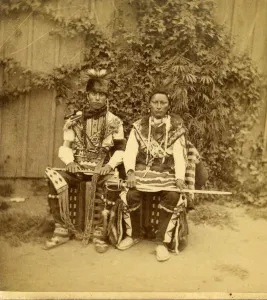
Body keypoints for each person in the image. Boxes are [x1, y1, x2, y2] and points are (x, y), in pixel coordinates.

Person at [44, 69, 126, 253]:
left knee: (113, 184)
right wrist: (70, 162)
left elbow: (121, 149)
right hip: (78, 168)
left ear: (106, 98)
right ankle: (61, 229)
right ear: (88, 95)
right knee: (55, 179)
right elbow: (65, 146)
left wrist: (109, 165)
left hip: (102, 168)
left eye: (101, 95)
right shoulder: (75, 119)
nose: (97, 98)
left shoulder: (115, 122)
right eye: (94, 94)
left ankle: (100, 232)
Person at [117, 87, 190, 262]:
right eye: (155, 102)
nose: (158, 106)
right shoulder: (139, 126)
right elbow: (130, 152)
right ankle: (133, 234)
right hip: (143, 171)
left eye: (162, 103)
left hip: (166, 171)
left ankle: (162, 243)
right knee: (130, 194)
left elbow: (180, 155)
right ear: (149, 104)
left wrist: (179, 177)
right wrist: (131, 172)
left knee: (173, 195)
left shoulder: (176, 127)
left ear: (168, 105)